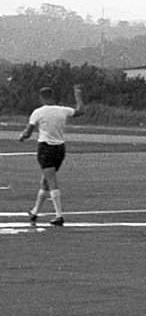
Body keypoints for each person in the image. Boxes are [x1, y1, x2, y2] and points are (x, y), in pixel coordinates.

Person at [19, 84, 84, 227]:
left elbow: (28, 132)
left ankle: (59, 215)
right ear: (52, 96)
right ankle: (35, 211)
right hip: (60, 149)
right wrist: (77, 95)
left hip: (46, 148)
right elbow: (81, 111)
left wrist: (22, 137)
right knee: (45, 181)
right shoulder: (63, 110)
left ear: (41, 97)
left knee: (51, 180)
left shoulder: (38, 112)